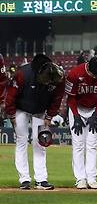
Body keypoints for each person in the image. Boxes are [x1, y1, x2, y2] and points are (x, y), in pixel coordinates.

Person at [5, 54, 65, 190]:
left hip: (40, 110)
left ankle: (41, 180)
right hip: (21, 109)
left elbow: (57, 98)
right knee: (22, 140)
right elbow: (11, 95)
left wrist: (49, 116)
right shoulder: (23, 74)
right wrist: (11, 114)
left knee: (40, 142)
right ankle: (24, 179)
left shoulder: (58, 77)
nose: (48, 84)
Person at [65, 56, 97, 190]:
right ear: (88, 66)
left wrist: (96, 114)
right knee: (78, 145)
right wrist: (76, 117)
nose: (95, 77)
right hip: (77, 109)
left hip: (94, 110)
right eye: (93, 74)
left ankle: (91, 178)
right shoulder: (75, 73)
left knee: (92, 145)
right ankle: (80, 178)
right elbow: (71, 98)